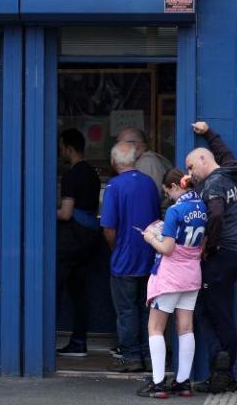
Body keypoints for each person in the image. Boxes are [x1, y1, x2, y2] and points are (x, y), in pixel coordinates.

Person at [136, 169, 207, 399]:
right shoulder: (202, 207)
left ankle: (158, 383)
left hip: (169, 276)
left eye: (168, 191)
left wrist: (150, 238)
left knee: (155, 327)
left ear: (175, 186)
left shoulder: (175, 211)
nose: (168, 196)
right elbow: (202, 245)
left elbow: (167, 248)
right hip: (192, 274)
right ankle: (183, 382)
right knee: (185, 327)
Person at [186, 121, 237, 394]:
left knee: (213, 314)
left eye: (191, 167)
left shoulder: (213, 184)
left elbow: (217, 213)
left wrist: (207, 246)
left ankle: (223, 373)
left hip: (220, 255)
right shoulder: (232, 172)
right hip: (235, 254)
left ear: (202, 159)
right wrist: (208, 132)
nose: (190, 173)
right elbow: (224, 154)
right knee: (220, 312)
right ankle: (225, 372)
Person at [101, 140, 160, 373]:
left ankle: (132, 357)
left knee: (126, 311)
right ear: (135, 160)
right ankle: (150, 355)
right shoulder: (149, 184)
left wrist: (116, 249)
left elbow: (108, 228)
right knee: (148, 310)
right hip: (149, 256)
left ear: (114, 161)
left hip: (124, 261)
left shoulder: (114, 187)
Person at [55, 129, 102, 358]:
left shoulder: (71, 176)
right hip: (90, 238)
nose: (60, 151)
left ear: (68, 147)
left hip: (71, 239)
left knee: (55, 288)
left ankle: (46, 339)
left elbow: (65, 213)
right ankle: (78, 340)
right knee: (80, 292)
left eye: (61, 146)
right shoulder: (92, 173)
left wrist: (46, 212)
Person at [117, 127, 173, 196]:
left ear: (135, 144)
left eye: (120, 143)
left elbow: (147, 196)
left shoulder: (148, 162)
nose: (117, 148)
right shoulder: (141, 160)